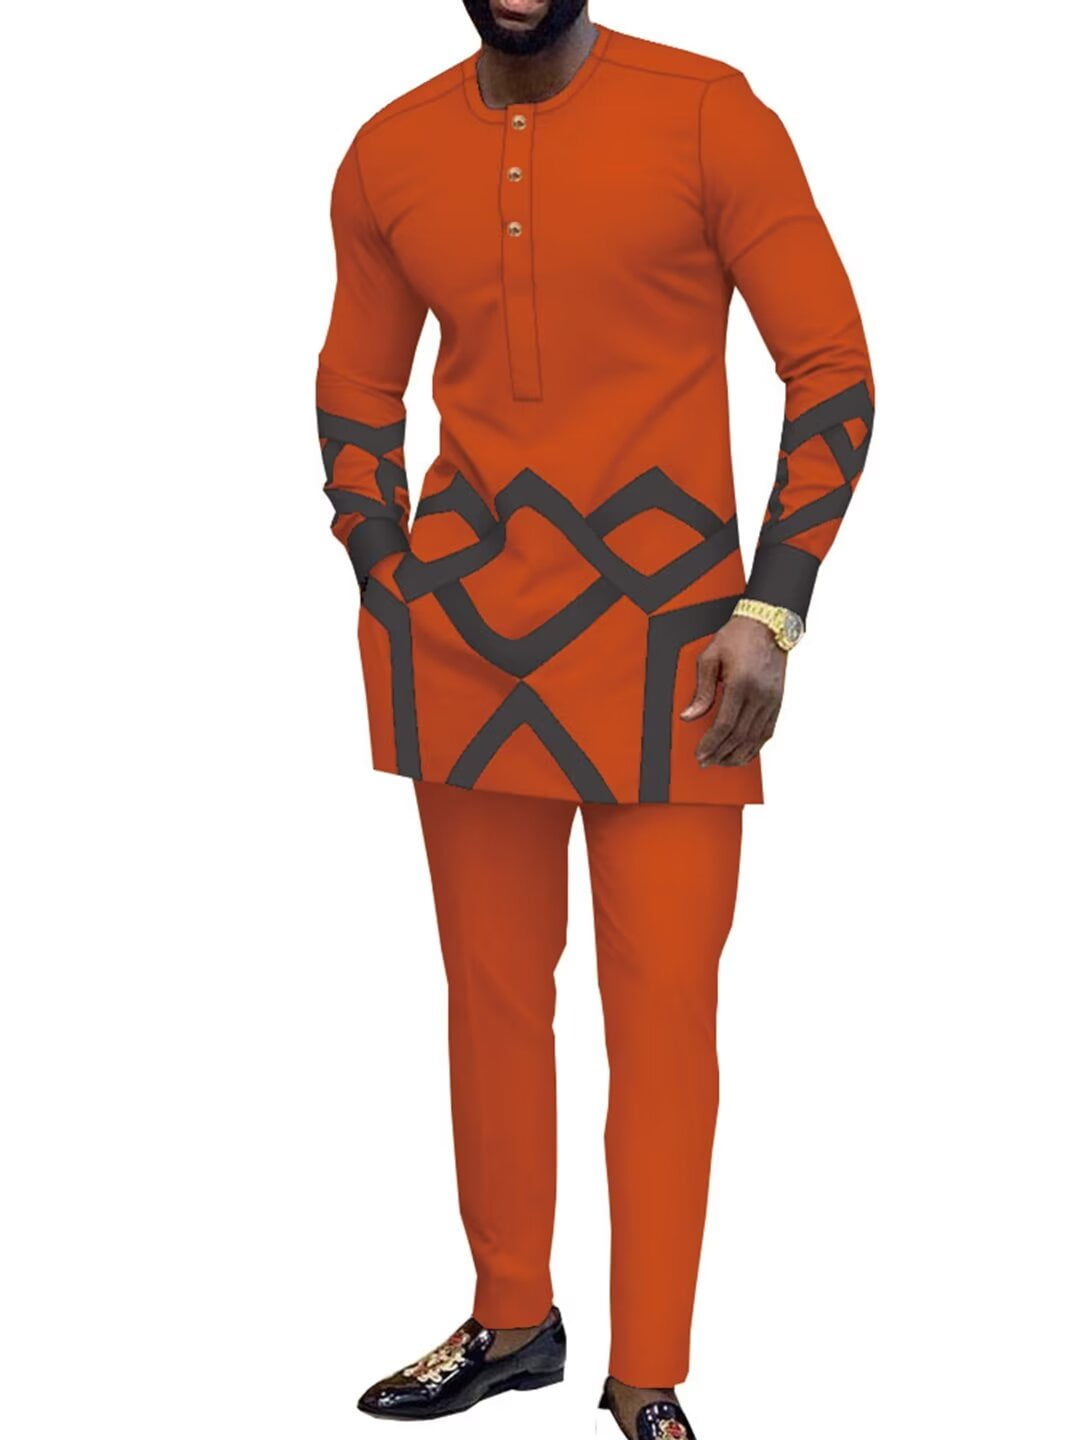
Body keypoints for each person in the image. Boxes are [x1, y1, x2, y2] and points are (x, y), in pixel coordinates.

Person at [315, 1, 873, 1434]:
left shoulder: (710, 113)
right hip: (463, 651)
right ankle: (511, 1319)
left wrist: (772, 608)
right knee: (492, 1000)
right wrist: (389, 577)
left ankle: (649, 1371)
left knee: (665, 1017)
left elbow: (832, 367)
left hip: (680, 657)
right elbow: (356, 385)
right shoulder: (388, 152)